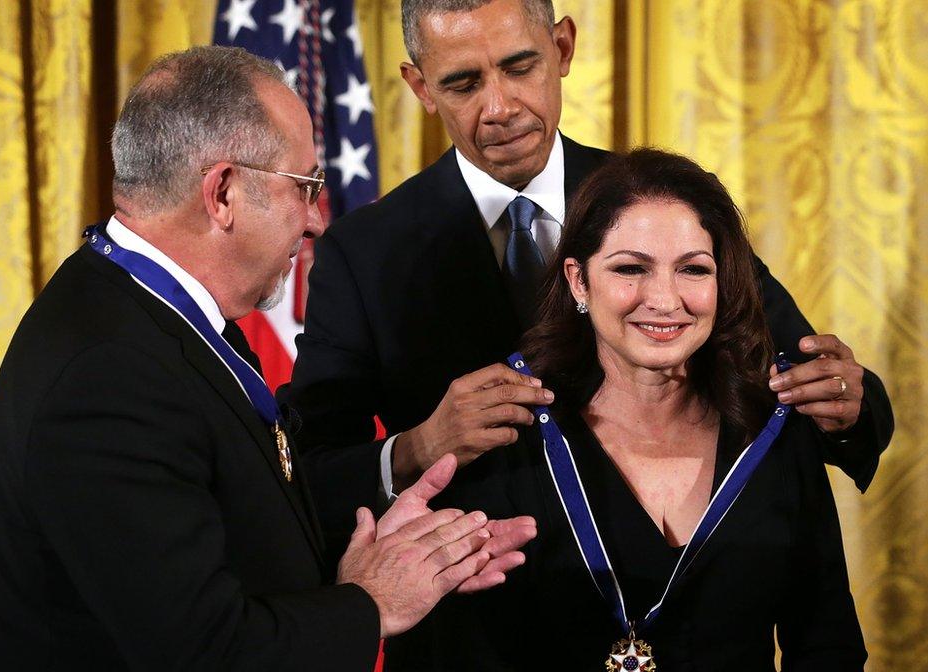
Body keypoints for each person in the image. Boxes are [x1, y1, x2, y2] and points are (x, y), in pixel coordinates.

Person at [0, 46, 535, 672]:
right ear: (223, 193)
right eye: (305, 186)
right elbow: (207, 662)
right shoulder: (105, 376)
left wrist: (397, 547)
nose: (319, 218)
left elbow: (243, 529)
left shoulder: (157, 318)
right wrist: (372, 600)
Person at [284, 0, 894, 565]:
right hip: (474, 640)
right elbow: (306, 479)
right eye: (464, 83)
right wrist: (419, 446)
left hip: (668, 609)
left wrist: (844, 402)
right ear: (420, 87)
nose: (500, 107)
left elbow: (806, 380)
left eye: (520, 67)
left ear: (563, 48)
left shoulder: (666, 205)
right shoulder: (361, 254)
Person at [382, 148, 868, 672]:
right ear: (579, 281)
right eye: (630, 268)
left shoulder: (777, 432)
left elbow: (829, 648)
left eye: (693, 269)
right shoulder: (502, 438)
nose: (664, 300)